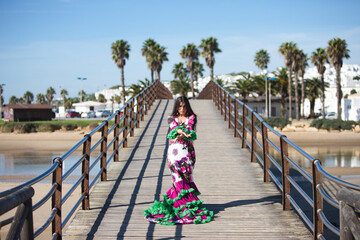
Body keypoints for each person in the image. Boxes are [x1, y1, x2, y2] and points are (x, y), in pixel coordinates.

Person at [143, 96, 213, 225]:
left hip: (187, 154)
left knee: (186, 178)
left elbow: (190, 131)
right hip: (173, 154)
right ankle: (180, 205)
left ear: (188, 106)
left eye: (184, 106)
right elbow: (173, 130)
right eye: (180, 106)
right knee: (177, 179)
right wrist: (181, 132)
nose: (182, 109)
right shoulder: (171, 118)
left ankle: (187, 205)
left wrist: (181, 134)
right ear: (176, 107)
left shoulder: (192, 117)